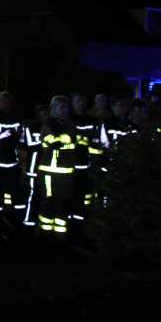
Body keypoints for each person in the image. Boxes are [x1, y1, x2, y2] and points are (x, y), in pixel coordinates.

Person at [37, 96, 78, 240]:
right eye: (62, 107)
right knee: (50, 202)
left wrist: (65, 137)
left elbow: (74, 140)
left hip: (67, 173)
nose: (65, 110)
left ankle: (61, 234)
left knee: (65, 202)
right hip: (50, 172)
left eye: (66, 107)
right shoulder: (48, 125)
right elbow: (52, 142)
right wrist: (66, 137)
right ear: (53, 108)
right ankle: (45, 233)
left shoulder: (70, 124)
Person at [0, 92, 26, 220]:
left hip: (13, 160)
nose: (6, 105)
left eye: (8, 102)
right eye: (3, 102)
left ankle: (14, 215)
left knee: (14, 189)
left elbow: (22, 138)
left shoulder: (17, 117)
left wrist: (18, 136)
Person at [68, 92, 100, 225]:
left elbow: (96, 142)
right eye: (78, 100)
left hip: (86, 163)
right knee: (72, 194)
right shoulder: (68, 119)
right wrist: (85, 137)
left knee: (85, 194)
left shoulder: (92, 120)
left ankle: (83, 221)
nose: (81, 103)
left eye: (83, 100)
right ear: (73, 103)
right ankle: (71, 221)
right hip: (72, 163)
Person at [22, 105, 50, 228]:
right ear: (38, 115)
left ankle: (42, 220)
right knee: (34, 195)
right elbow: (31, 145)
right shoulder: (31, 128)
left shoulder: (52, 127)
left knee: (47, 195)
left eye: (48, 114)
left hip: (48, 167)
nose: (47, 117)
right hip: (34, 167)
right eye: (44, 114)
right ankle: (29, 221)